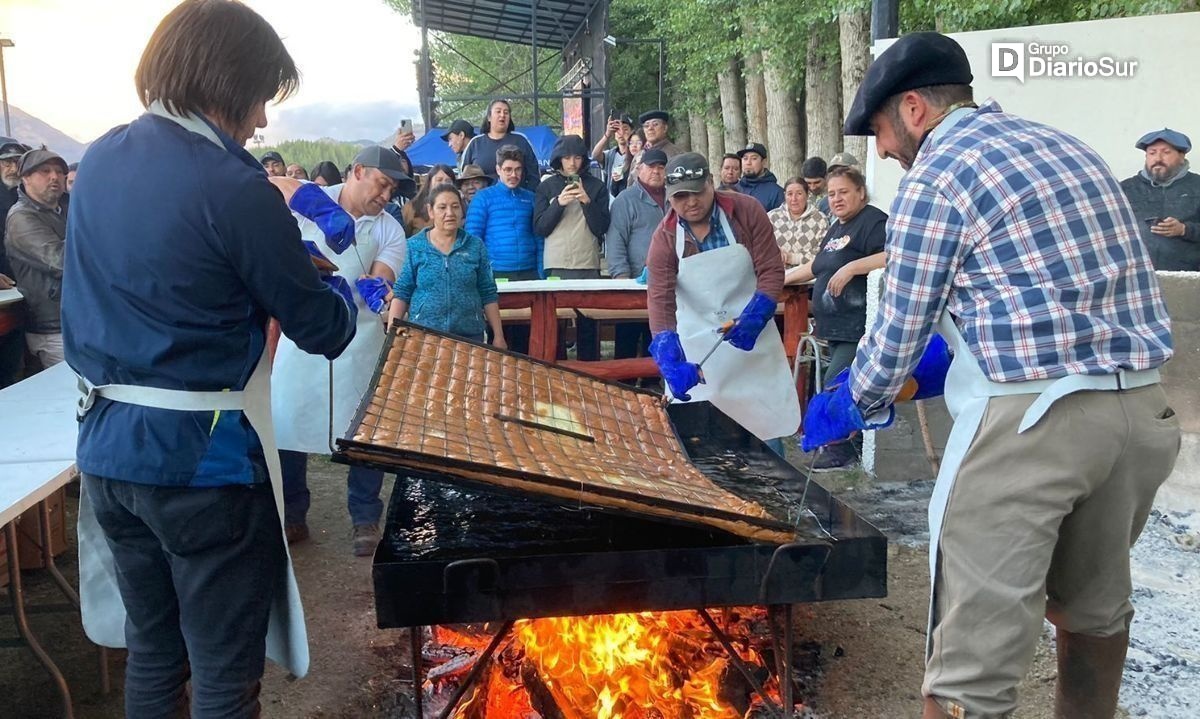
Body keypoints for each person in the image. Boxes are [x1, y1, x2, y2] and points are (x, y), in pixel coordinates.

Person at [807, 31, 1178, 719]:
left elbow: (899, 328)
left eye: (882, 132)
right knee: (1095, 613)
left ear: (914, 108)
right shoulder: (1066, 147)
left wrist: (854, 399)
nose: (883, 150)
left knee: (967, 678)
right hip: (1139, 415)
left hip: (1033, 430)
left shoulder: (939, 174)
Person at [62, 2, 358, 715]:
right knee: (225, 671)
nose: (260, 120)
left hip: (106, 452)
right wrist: (343, 282)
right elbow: (324, 330)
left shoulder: (99, 157)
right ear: (226, 81)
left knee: (156, 653)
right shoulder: (233, 187)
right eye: (260, 96)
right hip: (202, 462)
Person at [272, 144, 410, 555]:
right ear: (358, 171)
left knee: (362, 431)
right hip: (301, 337)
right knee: (289, 424)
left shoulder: (390, 228)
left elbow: (382, 274)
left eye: (392, 190)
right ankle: (292, 514)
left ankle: (365, 517)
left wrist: (376, 288)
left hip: (359, 338)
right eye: (382, 184)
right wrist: (313, 205)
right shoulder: (313, 201)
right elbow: (267, 186)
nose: (385, 196)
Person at [645, 152, 800, 453]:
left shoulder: (746, 211)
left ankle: (775, 492)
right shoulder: (664, 238)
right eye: (680, 197)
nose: (690, 202)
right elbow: (660, 300)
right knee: (701, 439)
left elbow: (770, 268)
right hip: (699, 343)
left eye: (697, 192)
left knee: (764, 427)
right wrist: (668, 356)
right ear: (670, 198)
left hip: (751, 335)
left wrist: (760, 310)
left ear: (711, 183)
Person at [785, 166, 884, 469]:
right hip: (835, 326)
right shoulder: (838, 226)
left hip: (860, 324)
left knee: (836, 381)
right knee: (835, 381)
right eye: (831, 194)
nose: (837, 199)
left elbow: (894, 255)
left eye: (844, 192)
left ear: (861, 193)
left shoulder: (873, 222)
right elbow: (818, 265)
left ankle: (844, 448)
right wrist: (778, 280)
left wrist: (851, 268)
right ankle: (840, 443)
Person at [388, 183, 504, 345]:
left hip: (470, 336)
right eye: (442, 207)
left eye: (455, 207)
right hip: (423, 336)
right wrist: (391, 334)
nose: (449, 213)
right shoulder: (414, 247)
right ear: (431, 211)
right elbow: (402, 292)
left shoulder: (475, 246)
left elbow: (488, 293)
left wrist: (498, 336)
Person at [465, 145, 541, 353]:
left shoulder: (530, 198)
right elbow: (473, 240)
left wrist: (542, 274)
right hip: (496, 276)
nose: (513, 175)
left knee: (528, 337)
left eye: (518, 169)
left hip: (528, 274)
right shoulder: (483, 198)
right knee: (498, 338)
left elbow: (539, 238)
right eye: (508, 169)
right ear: (498, 169)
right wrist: (478, 276)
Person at [5, 148, 70, 370]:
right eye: (45, 171)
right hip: (52, 328)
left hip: (80, 320)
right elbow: (62, 262)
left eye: (60, 171)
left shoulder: (70, 208)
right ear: (26, 178)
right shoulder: (21, 218)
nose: (55, 176)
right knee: (68, 395)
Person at [606, 148, 668, 363]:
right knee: (628, 338)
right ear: (639, 169)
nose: (656, 172)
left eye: (661, 167)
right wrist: (622, 279)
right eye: (651, 167)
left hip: (668, 283)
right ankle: (625, 386)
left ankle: (657, 383)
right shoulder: (625, 199)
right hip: (634, 280)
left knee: (662, 335)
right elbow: (615, 241)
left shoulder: (676, 197)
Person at [1120, 128, 1200, 271]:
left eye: (1166, 152)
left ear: (1182, 156)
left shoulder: (1197, 186)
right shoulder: (1126, 188)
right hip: (1136, 275)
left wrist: (1184, 229)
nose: (1158, 158)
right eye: (1152, 153)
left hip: (1188, 278)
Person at [533, 135, 611, 279]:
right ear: (559, 159)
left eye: (577, 158)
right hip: (556, 262)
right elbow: (540, 228)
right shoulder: (546, 186)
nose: (572, 163)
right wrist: (558, 204)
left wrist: (587, 202)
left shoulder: (597, 186)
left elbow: (601, 228)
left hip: (588, 263)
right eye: (567, 158)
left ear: (584, 159)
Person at [460, 99, 540, 191]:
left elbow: (534, 175)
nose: (502, 115)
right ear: (489, 117)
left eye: (506, 112)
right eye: (498, 111)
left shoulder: (521, 140)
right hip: (483, 201)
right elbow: (464, 176)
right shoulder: (475, 143)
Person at [0, 136, 29, 387]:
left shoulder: (23, 195)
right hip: (3, 297)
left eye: (16, 162)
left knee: (14, 367)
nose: (12, 167)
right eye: (5, 162)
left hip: (22, 294)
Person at [769, 177, 828, 269]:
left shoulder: (820, 219)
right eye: (789, 194)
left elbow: (824, 253)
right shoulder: (772, 217)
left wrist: (792, 258)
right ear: (784, 195)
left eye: (799, 194)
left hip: (808, 278)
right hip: (775, 274)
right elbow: (761, 246)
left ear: (807, 195)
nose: (794, 199)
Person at [626, 110, 681, 188]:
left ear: (665, 128)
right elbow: (630, 185)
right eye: (646, 126)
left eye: (655, 124)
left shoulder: (676, 154)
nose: (650, 128)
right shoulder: (639, 155)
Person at [403, 164, 456, 236]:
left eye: (448, 181)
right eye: (439, 180)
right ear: (429, 183)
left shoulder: (459, 207)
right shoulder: (412, 207)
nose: (443, 184)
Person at [591, 112, 634, 197]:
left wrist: (628, 140)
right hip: (612, 201)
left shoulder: (636, 153)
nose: (621, 133)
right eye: (617, 130)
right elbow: (595, 155)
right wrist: (607, 135)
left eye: (625, 129)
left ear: (632, 132)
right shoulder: (611, 154)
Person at [735, 142, 783, 211]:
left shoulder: (776, 193)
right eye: (745, 158)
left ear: (764, 162)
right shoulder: (734, 190)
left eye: (754, 158)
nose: (748, 162)